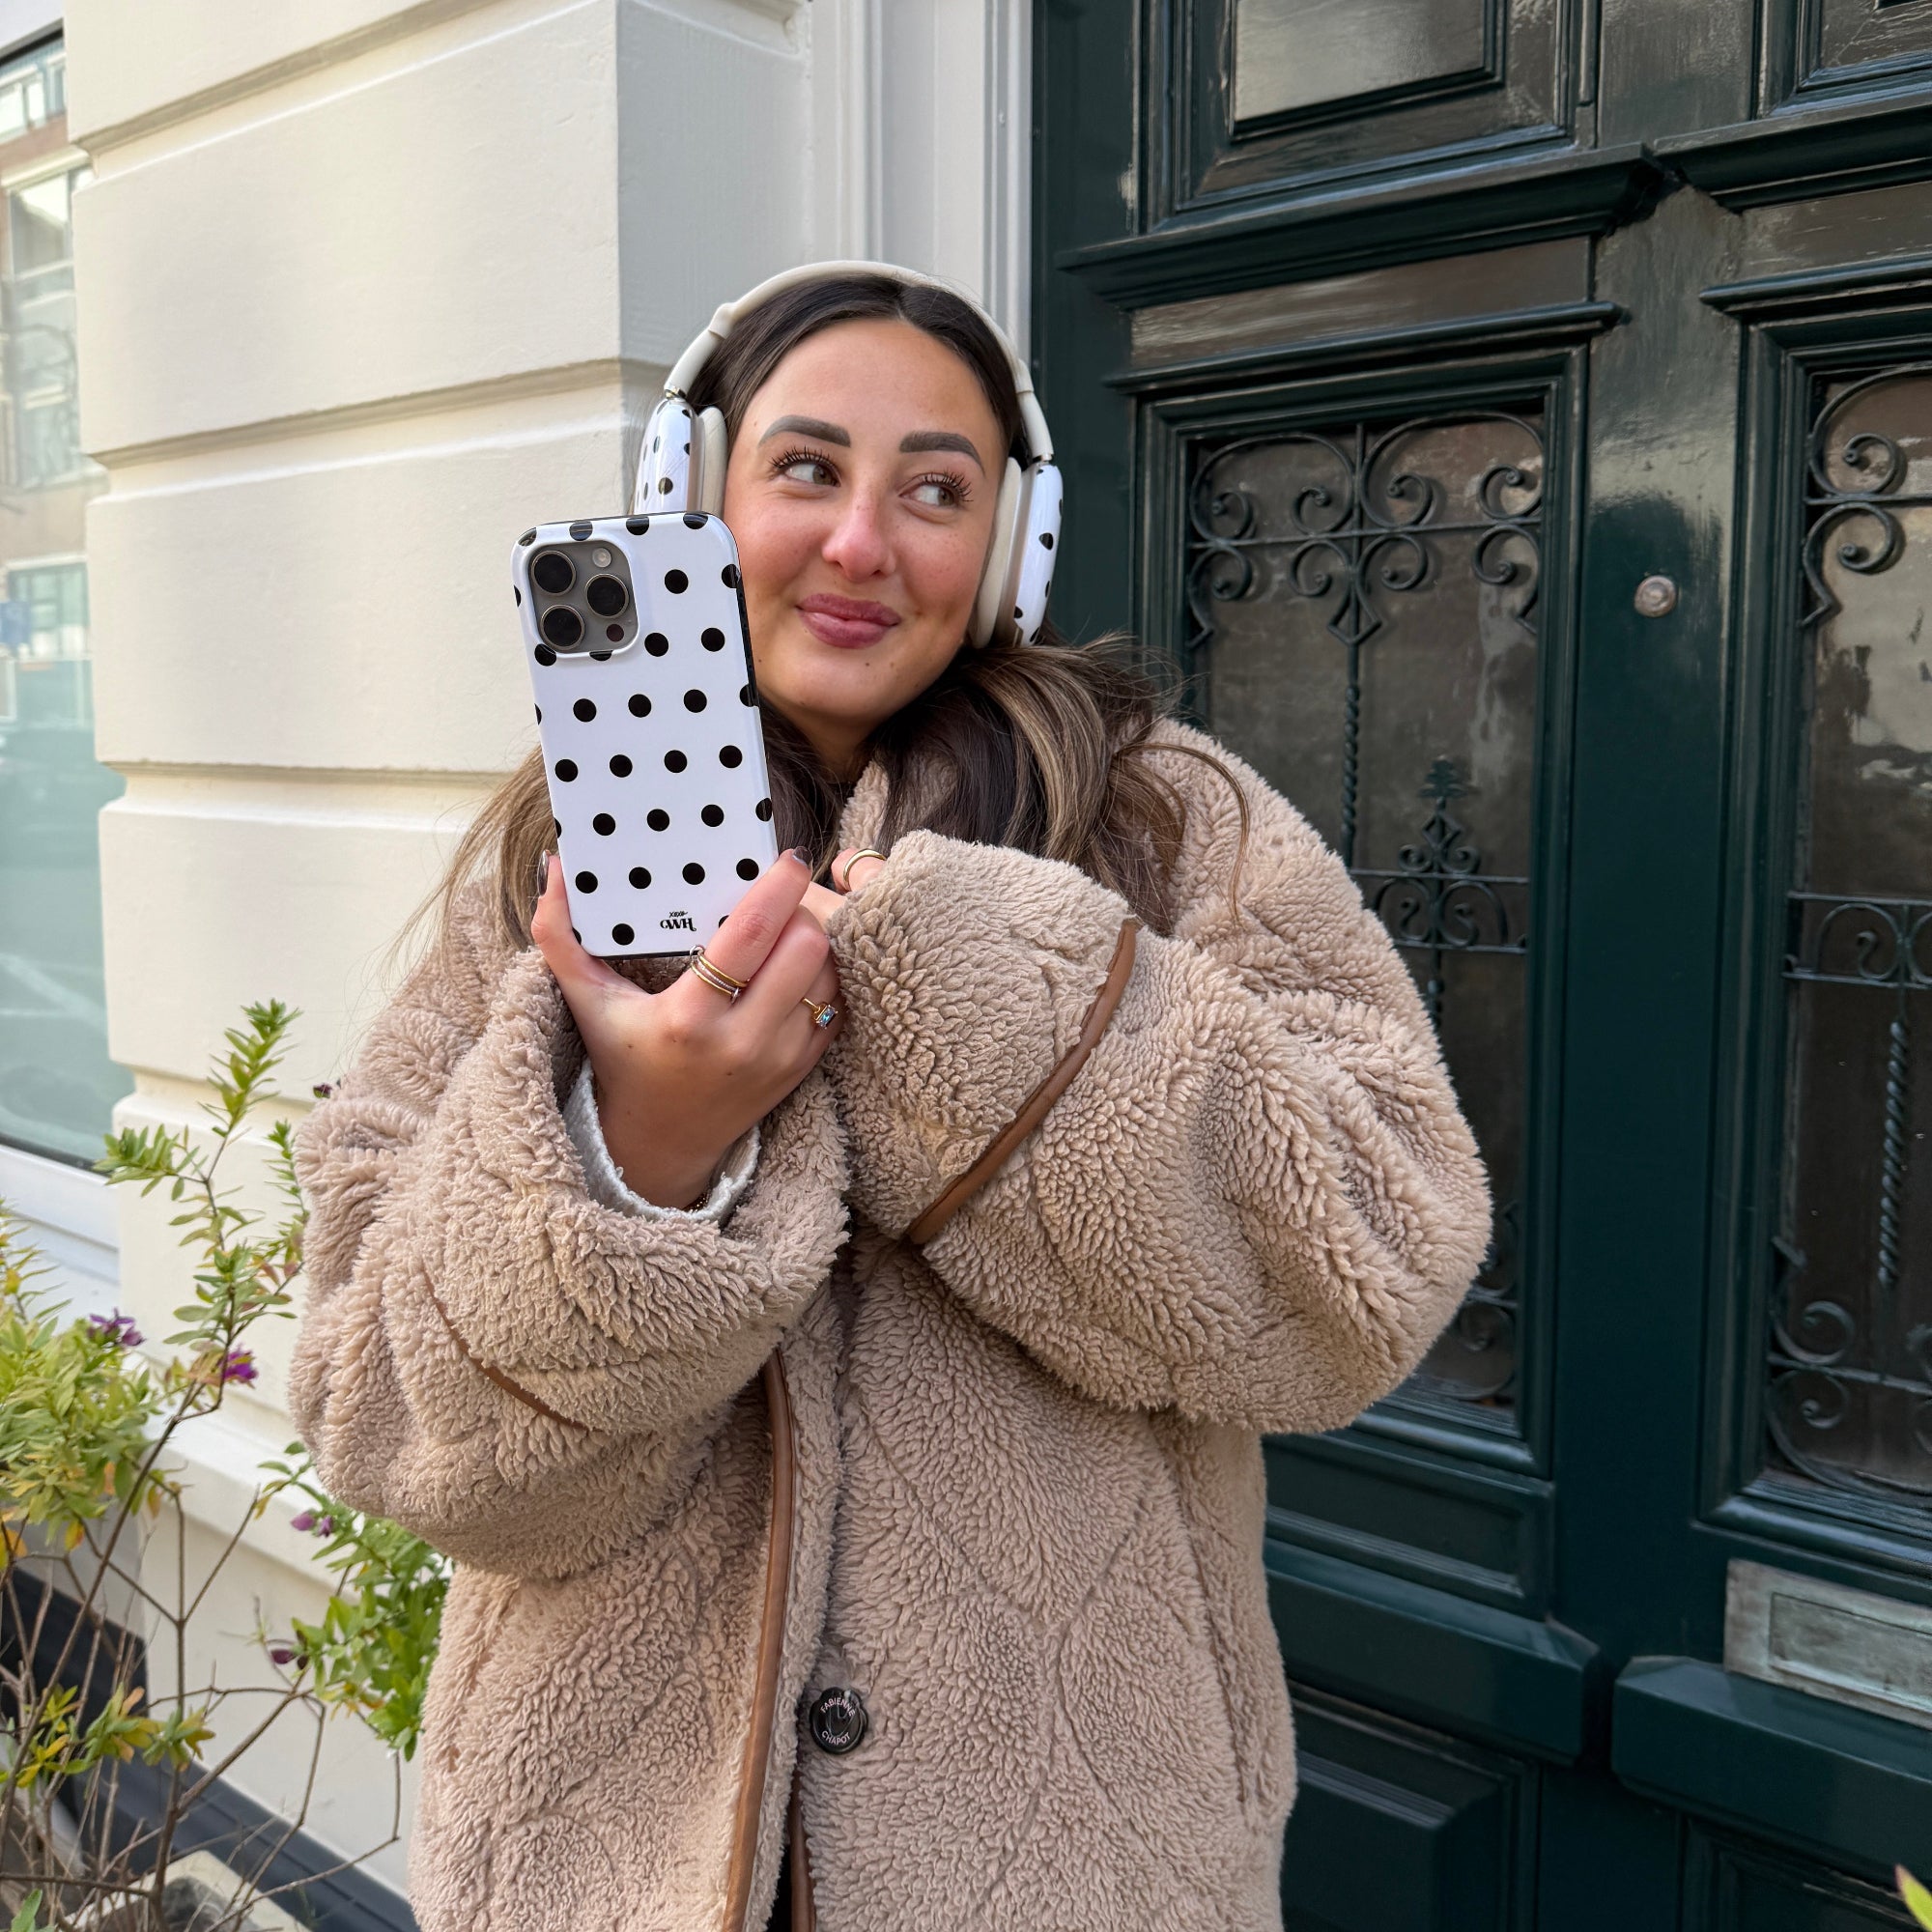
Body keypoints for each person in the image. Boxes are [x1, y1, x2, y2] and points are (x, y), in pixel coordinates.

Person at [288, 264, 1491, 1932]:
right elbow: (392, 1424)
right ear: (693, 495)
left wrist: (958, 983)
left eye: (937, 488)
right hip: (610, 1865)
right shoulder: (559, 852)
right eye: (805, 469)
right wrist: (642, 1165)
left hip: (1085, 1863)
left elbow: (1367, 1265)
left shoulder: (1174, 822)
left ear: (1012, 543)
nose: (864, 542)